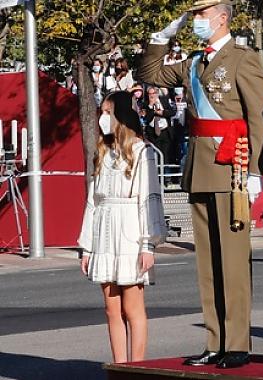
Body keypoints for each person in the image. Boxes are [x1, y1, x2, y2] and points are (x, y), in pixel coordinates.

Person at [138, 0, 263, 369]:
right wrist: (163, 36)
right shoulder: (194, 63)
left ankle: (238, 342)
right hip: (200, 167)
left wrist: (255, 170)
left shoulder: (242, 58)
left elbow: (257, 118)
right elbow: (149, 72)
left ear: (222, 18)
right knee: (208, 264)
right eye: (193, 15)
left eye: (201, 15)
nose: (196, 21)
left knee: (233, 262)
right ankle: (216, 341)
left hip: (232, 166)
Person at [78, 91, 166, 363]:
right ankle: (119, 367)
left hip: (130, 230)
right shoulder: (103, 153)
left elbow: (148, 199)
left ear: (121, 116)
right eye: (101, 112)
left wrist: (148, 244)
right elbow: (93, 201)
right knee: (111, 308)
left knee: (132, 307)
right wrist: (87, 247)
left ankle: (136, 368)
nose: (103, 118)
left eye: (108, 112)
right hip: (105, 230)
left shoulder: (142, 152)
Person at [142, 86, 176, 165]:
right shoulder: (146, 104)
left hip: (165, 131)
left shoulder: (164, 101)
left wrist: (162, 113)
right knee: (156, 154)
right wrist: (150, 106)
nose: (151, 95)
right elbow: (147, 119)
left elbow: (172, 112)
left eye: (153, 93)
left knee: (165, 154)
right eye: (149, 94)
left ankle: (165, 174)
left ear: (157, 93)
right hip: (153, 132)